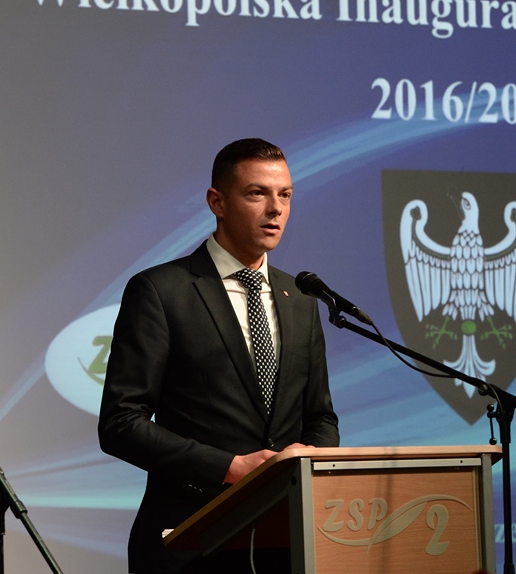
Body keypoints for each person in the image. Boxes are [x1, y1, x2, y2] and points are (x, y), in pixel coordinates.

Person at [99, 138, 340, 573]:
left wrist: (304, 462)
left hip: (286, 539)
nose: (276, 208)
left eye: (285, 195)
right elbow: (121, 423)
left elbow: (321, 417)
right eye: (257, 193)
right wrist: (228, 467)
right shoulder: (161, 291)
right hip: (189, 541)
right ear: (218, 202)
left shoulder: (301, 299)